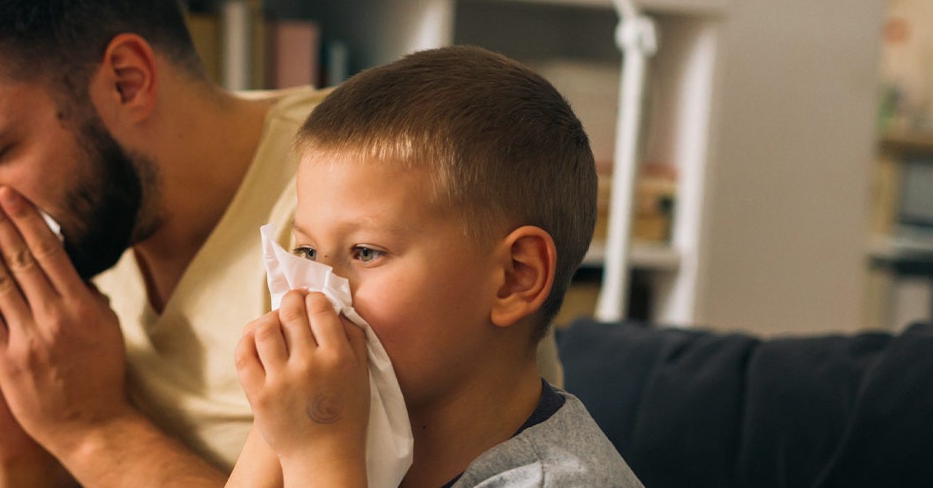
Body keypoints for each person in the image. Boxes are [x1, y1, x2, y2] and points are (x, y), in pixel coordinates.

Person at [0, 1, 564, 486]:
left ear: (126, 81)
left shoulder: (352, 220)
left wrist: (92, 430)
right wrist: (11, 425)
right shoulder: (83, 231)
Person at [225, 46, 641, 487]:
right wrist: (273, 432)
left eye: (366, 252)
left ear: (515, 278)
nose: (317, 296)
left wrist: (317, 450)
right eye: (307, 254)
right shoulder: (366, 445)